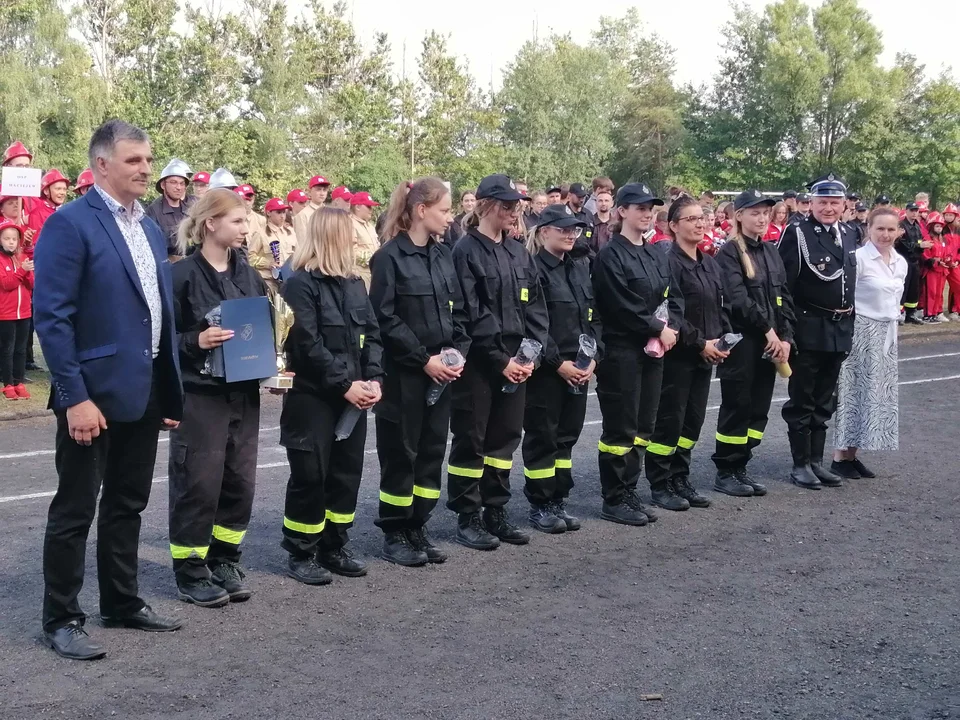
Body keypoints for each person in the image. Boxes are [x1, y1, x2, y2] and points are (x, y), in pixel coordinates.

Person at [34, 119, 185, 661]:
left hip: (142, 391)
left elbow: (159, 314)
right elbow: (52, 318)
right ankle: (62, 617)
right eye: (134, 161)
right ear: (102, 164)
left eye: (148, 160)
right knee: (75, 508)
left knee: (127, 503)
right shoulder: (70, 224)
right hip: (90, 395)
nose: (147, 169)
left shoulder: (147, 228)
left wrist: (167, 391)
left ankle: (121, 602)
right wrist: (74, 396)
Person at [168, 189, 268, 607]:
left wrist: (273, 364)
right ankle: (190, 568)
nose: (246, 229)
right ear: (211, 224)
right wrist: (196, 340)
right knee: (198, 481)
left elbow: (263, 330)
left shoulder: (250, 275)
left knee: (239, 481)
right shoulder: (180, 276)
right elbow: (161, 342)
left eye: (246, 221)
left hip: (244, 393)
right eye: (238, 221)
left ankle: (225, 558)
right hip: (201, 394)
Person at [279, 207, 384, 583]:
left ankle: (334, 544)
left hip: (354, 394)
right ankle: (301, 550)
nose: (355, 241)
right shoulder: (300, 284)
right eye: (348, 235)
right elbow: (308, 344)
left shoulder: (355, 283)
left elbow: (372, 333)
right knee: (310, 474)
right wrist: (346, 384)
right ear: (330, 237)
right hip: (314, 397)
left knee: (345, 474)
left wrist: (373, 378)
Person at [369, 178, 470, 566]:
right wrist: (422, 359)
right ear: (421, 210)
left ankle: (417, 526)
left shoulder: (444, 255)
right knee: (401, 452)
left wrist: (457, 352)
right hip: (405, 373)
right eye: (444, 210)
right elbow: (385, 317)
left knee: (430, 451)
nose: (449, 218)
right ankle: (395, 531)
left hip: (441, 372)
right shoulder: (390, 257)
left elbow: (458, 311)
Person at [447, 174, 548, 550]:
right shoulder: (465, 251)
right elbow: (472, 313)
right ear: (486, 205)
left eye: (517, 207)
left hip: (517, 361)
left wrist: (531, 352)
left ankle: (496, 510)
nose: (513, 213)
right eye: (506, 206)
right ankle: (467, 514)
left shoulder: (518, 251)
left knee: (505, 440)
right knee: (471, 439)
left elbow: (536, 306)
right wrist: (499, 358)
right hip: (480, 363)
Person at [592, 182, 683, 526]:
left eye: (651, 208)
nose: (647, 213)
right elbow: (619, 305)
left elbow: (671, 295)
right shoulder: (610, 255)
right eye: (640, 207)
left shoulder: (654, 252)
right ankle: (614, 497)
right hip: (622, 352)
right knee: (621, 428)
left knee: (644, 425)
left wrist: (670, 324)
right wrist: (658, 328)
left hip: (652, 351)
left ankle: (629, 489)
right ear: (621, 212)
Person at [646, 197, 730, 511]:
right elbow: (674, 314)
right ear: (673, 225)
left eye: (701, 218)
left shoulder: (709, 262)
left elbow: (719, 306)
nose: (699, 223)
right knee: (670, 420)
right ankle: (660, 482)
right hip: (680, 353)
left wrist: (721, 341)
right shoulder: (668, 262)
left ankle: (680, 477)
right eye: (691, 219)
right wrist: (701, 343)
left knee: (692, 422)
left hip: (706, 354)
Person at [521, 204, 601, 533]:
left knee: (567, 438)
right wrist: (559, 364)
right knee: (544, 436)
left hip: (579, 368)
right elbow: (535, 325)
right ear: (543, 232)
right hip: (549, 371)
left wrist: (594, 358)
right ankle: (540, 504)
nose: (571, 234)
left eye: (575, 229)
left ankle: (558, 498)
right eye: (563, 228)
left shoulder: (579, 268)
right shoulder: (533, 270)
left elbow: (593, 317)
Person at [712, 190, 794, 496]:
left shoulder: (770, 251)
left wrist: (785, 337)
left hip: (771, 343)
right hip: (744, 343)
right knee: (738, 406)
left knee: (759, 409)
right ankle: (727, 470)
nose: (761, 218)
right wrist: (768, 331)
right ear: (739, 216)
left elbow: (783, 297)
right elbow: (738, 300)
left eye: (765, 213)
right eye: (754, 212)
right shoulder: (729, 253)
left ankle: (742, 465)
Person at [779, 173, 856, 490]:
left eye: (834, 202)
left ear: (844, 205)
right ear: (810, 203)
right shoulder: (797, 233)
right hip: (809, 327)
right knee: (803, 400)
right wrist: (787, 330)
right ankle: (800, 465)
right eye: (822, 202)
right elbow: (784, 287)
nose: (828, 208)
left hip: (839, 328)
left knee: (825, 401)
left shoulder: (850, 233)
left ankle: (816, 461)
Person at [831, 207, 907, 479]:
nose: (885, 234)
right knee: (853, 393)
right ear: (868, 229)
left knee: (874, 396)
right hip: (860, 331)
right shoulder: (858, 259)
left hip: (887, 333)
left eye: (890, 229)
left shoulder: (900, 262)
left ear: (899, 231)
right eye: (880, 229)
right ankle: (839, 456)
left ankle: (853, 455)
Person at [0, 221, 33, 400]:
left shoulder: (21, 258)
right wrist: (22, 271)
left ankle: (19, 381)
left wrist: (27, 272)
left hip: (24, 311)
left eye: (14, 239)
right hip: (6, 313)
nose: (11, 242)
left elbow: (32, 284)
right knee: (7, 349)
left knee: (21, 349)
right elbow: (7, 284)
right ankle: (8, 384)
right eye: (7, 239)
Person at [145, 158, 195, 260]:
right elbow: (151, 248)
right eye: (173, 182)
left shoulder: (191, 208)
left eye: (182, 183)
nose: (179, 187)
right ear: (163, 185)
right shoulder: (153, 211)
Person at [248, 197, 297, 296]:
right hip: (269, 282)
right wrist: (268, 263)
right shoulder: (260, 234)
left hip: (289, 281)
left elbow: (298, 253)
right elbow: (250, 258)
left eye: (283, 212)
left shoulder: (290, 232)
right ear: (269, 213)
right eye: (278, 212)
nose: (282, 216)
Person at [897, 202, 930, 324]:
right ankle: (899, 313)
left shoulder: (917, 226)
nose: (914, 213)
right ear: (906, 211)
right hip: (904, 260)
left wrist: (923, 246)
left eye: (916, 210)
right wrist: (918, 245)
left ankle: (911, 313)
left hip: (915, 261)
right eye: (912, 210)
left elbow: (920, 239)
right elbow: (902, 244)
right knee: (903, 287)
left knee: (914, 288)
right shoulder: (901, 225)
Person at [921, 211, 950, 322]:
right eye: (937, 226)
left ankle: (934, 314)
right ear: (932, 226)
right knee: (931, 292)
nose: (939, 228)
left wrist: (947, 259)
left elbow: (946, 252)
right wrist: (935, 261)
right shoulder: (928, 238)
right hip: (931, 271)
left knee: (938, 293)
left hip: (941, 271)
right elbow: (925, 255)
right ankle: (928, 315)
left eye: (940, 226)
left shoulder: (942, 240)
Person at [349, 191, 380, 288]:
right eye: (368, 206)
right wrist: (373, 258)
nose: (371, 210)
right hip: (358, 275)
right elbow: (350, 252)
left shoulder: (369, 225)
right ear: (357, 207)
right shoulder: (349, 224)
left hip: (373, 274)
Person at [293, 175, 331, 240]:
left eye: (324, 190)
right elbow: (302, 242)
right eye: (318, 189)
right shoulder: (302, 215)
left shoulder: (330, 212)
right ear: (309, 191)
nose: (322, 193)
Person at [586, 188, 614, 255]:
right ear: (596, 203)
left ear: (612, 203)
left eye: (606, 201)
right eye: (600, 201)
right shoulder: (588, 223)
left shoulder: (618, 225)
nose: (603, 203)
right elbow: (585, 245)